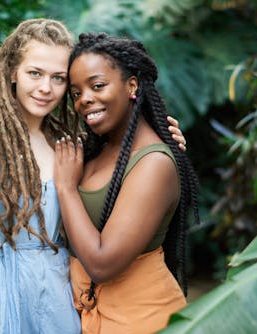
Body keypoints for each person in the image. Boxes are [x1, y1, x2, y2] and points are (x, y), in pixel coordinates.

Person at [0, 19, 188, 333]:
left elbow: (122, 170)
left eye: (58, 78)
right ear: (12, 71)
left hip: (61, 304)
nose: (45, 88)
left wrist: (166, 137)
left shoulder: (72, 142)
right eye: (34, 73)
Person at [54, 32, 199, 334]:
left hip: (142, 320)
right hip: (93, 318)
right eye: (76, 93)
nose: (85, 100)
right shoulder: (95, 150)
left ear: (131, 85)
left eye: (97, 86)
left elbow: (103, 264)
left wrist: (66, 188)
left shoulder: (153, 163)